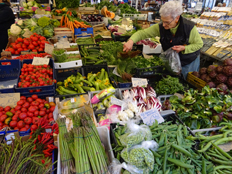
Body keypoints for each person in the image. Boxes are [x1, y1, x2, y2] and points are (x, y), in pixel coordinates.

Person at [123, 1, 203, 79]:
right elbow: (142, 33)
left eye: (167, 22)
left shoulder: (189, 28)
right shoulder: (161, 27)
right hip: (172, 61)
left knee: (185, 83)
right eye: (162, 21)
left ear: (177, 18)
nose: (164, 25)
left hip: (188, 61)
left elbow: (199, 44)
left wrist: (184, 48)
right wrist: (131, 41)